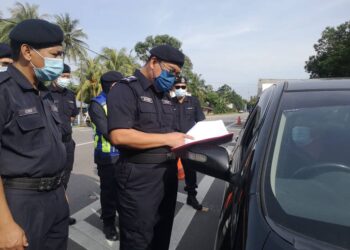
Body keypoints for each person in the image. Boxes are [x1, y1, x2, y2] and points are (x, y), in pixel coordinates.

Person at [107, 44, 191, 250]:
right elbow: (119, 135)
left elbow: (171, 134)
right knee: (139, 240)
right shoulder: (126, 89)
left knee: (162, 237)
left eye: (177, 74)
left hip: (166, 175)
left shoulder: (163, 96)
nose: (173, 78)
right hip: (139, 179)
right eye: (171, 71)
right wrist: (167, 140)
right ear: (153, 62)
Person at [0, 19, 68, 250]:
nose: (59, 62)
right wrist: (4, 224)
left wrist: (60, 191)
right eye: (55, 54)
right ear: (27, 51)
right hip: (20, 203)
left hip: (56, 198)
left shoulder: (46, 93)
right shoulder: (4, 91)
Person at [88, 71, 123, 241]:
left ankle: (124, 220)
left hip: (124, 155)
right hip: (107, 156)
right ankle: (108, 224)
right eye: (118, 85)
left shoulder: (122, 101)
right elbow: (107, 131)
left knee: (124, 191)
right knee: (109, 192)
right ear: (109, 85)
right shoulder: (97, 104)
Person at [48, 63, 79, 225]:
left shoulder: (70, 95)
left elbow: (73, 115)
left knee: (64, 180)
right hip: (51, 145)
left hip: (67, 143)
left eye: (68, 76)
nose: (65, 79)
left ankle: (61, 215)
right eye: (63, 76)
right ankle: (49, 217)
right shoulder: (43, 93)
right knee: (50, 180)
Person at [172, 76, 206, 210]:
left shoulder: (193, 101)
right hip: (172, 144)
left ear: (187, 88)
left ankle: (191, 197)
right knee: (169, 171)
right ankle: (168, 199)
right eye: (178, 87)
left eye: (183, 87)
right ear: (173, 88)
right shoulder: (168, 102)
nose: (180, 89)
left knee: (191, 171)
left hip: (189, 144)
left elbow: (200, 122)